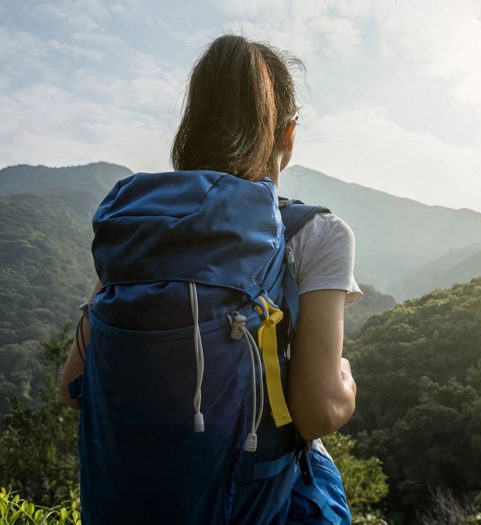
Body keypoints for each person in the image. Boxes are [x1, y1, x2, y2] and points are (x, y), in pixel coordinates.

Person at [59, 34, 360, 523]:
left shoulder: (138, 227)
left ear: (191, 127)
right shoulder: (317, 233)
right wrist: (343, 379)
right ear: (288, 135)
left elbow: (73, 385)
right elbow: (317, 412)